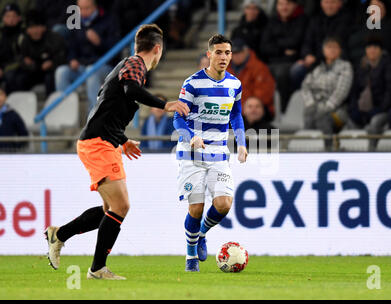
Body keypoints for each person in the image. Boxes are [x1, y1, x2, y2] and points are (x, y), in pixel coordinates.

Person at [44, 24, 189, 280]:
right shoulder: (135, 65)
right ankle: (97, 269)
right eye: (161, 50)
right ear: (158, 49)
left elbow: (105, 105)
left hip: (105, 141)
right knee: (121, 206)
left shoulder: (126, 66)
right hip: (97, 143)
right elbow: (130, 90)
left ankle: (60, 235)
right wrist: (165, 104)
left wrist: (122, 140)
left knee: (110, 209)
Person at [174, 34, 248, 272]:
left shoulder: (235, 84)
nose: (224, 57)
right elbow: (177, 119)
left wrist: (242, 143)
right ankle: (190, 257)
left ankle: (202, 234)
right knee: (196, 207)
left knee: (224, 204)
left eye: (227, 52)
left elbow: (236, 115)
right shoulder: (192, 83)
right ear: (209, 54)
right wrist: (190, 137)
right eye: (218, 52)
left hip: (219, 152)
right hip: (191, 154)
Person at [54, 0, 120, 110]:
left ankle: (93, 117)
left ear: (95, 6)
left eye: (87, 8)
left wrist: (100, 43)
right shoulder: (76, 21)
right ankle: (66, 112)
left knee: (91, 71)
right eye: (80, 8)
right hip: (81, 66)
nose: (83, 12)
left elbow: (116, 50)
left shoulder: (110, 19)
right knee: (61, 72)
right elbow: (71, 46)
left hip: (104, 67)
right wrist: (72, 59)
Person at [347, 36, 391, 148]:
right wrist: (354, 108)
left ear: (380, 50)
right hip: (363, 109)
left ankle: (371, 152)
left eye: (375, 47)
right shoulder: (361, 66)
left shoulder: (389, 65)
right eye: (369, 48)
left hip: (382, 109)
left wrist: (381, 108)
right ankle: (355, 152)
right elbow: (354, 91)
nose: (372, 50)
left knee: (375, 122)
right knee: (350, 120)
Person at [290, 0, 352, 94]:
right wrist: (307, 55)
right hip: (314, 62)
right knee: (296, 70)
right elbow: (307, 42)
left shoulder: (346, 21)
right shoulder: (315, 20)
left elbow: (336, 47)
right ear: (321, 3)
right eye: (326, 2)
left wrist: (317, 58)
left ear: (340, 4)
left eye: (333, 2)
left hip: (334, 62)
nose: (329, 6)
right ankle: (303, 99)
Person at [301, 37, 353, 144]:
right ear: (323, 50)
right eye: (329, 47)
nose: (332, 50)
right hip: (316, 107)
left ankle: (327, 150)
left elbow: (341, 92)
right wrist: (310, 104)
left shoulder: (345, 67)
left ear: (340, 51)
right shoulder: (318, 68)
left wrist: (326, 107)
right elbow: (305, 86)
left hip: (338, 111)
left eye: (335, 47)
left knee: (322, 117)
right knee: (309, 113)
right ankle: (308, 149)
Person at [260, 0, 308, 113]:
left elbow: (296, 41)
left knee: (282, 74)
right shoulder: (271, 22)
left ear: (294, 5)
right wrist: (283, 50)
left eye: (287, 4)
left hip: (292, 61)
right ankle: (262, 111)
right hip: (272, 61)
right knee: (260, 73)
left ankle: (282, 110)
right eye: (281, 4)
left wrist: (276, 44)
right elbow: (264, 46)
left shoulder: (302, 20)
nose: (284, 7)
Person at [7, 10, 66, 95]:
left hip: (50, 71)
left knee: (49, 78)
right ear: (27, 30)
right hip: (33, 71)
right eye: (31, 28)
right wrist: (27, 63)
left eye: (37, 27)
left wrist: (52, 63)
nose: (35, 31)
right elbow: (20, 58)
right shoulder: (24, 40)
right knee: (18, 78)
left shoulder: (54, 38)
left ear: (43, 27)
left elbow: (62, 56)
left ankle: (51, 104)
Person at [227, 37, 276, 119]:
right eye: (233, 53)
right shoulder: (224, 70)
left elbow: (263, 95)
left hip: (255, 110)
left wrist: (243, 108)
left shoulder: (259, 68)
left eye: (239, 52)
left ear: (246, 51)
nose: (236, 56)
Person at [0, 3, 23, 93]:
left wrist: (4, 69)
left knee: (11, 77)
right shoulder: (1, 34)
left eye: (14, 16)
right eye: (8, 16)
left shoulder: (23, 34)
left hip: (15, 68)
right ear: (3, 18)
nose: (11, 19)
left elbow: (21, 58)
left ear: (19, 18)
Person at [0, 86, 28, 151]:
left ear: (5, 96)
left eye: (1, 94)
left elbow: (24, 134)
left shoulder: (13, 114)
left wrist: (15, 147)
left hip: (8, 154)